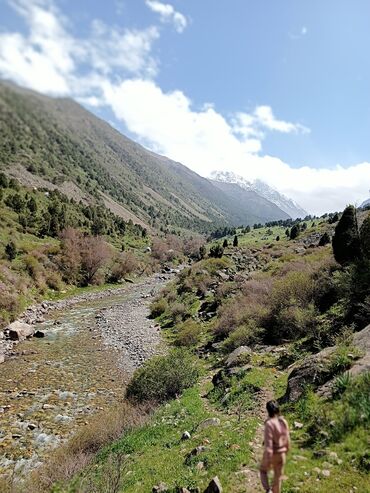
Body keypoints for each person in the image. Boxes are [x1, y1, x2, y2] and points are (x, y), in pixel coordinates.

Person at [260, 400, 290, 493]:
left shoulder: (269, 423)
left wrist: (268, 456)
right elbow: (287, 439)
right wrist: (286, 451)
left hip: (272, 453)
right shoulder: (283, 421)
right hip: (282, 453)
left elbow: (268, 443)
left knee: (263, 471)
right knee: (278, 478)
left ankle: (268, 490)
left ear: (268, 410)